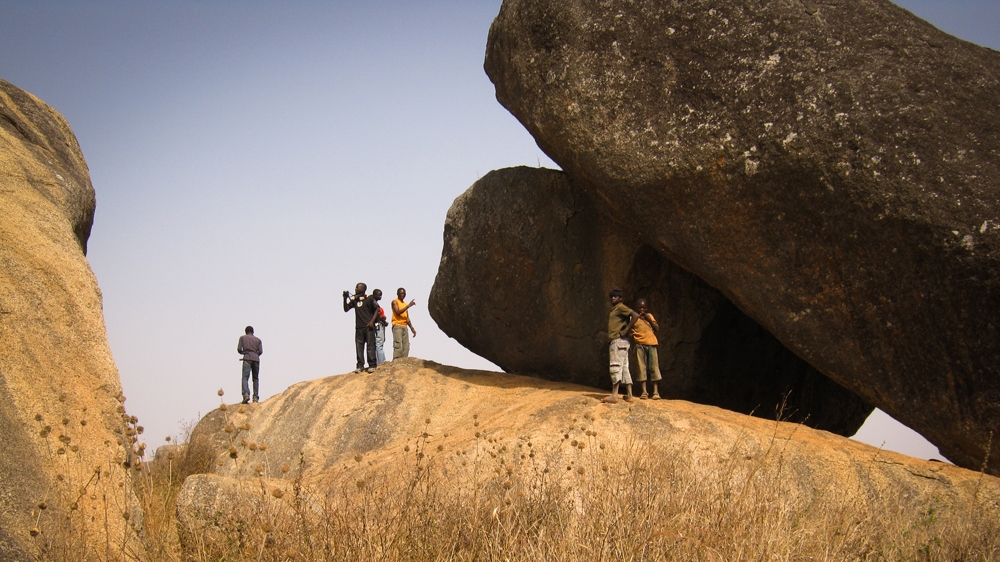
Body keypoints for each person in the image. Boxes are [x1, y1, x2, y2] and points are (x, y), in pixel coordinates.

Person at [603, 288, 638, 404]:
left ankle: (614, 395)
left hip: (617, 341)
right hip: (623, 341)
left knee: (615, 366)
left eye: (616, 296)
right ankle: (629, 395)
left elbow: (635, 315)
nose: (613, 298)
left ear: (621, 298)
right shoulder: (615, 309)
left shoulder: (621, 307)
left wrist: (626, 329)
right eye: (611, 296)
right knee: (624, 367)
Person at [343, 283, 379, 373]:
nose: (355, 289)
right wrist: (345, 298)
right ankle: (360, 365)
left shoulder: (370, 299)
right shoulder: (355, 300)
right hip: (359, 327)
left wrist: (372, 322)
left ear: (363, 289)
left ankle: (372, 365)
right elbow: (346, 309)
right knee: (359, 347)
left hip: (368, 327)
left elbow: (377, 309)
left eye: (357, 287)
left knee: (370, 346)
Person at [631, 298, 662, 400]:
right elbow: (628, 329)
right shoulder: (633, 317)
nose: (642, 310)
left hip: (651, 344)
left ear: (647, 308)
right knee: (641, 367)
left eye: (644, 308)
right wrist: (635, 319)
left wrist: (648, 319)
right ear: (636, 308)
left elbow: (657, 329)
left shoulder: (649, 316)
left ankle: (655, 392)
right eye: (640, 308)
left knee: (653, 367)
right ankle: (644, 392)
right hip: (639, 345)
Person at [237, 326, 263, 404]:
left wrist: (243, 353)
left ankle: (246, 395)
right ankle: (255, 397)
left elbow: (239, 349)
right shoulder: (258, 340)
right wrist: (255, 354)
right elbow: (261, 351)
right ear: (253, 332)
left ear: (246, 331)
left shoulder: (242, 338)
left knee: (245, 377)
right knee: (255, 378)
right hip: (256, 359)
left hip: (247, 358)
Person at [391, 287, 417, 359]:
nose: (403, 294)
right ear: (398, 294)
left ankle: (403, 361)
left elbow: (407, 318)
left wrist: (412, 328)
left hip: (404, 326)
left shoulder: (404, 304)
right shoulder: (395, 302)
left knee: (406, 346)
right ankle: (396, 360)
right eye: (401, 293)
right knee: (398, 345)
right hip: (397, 326)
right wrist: (408, 306)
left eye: (404, 293)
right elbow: (398, 312)